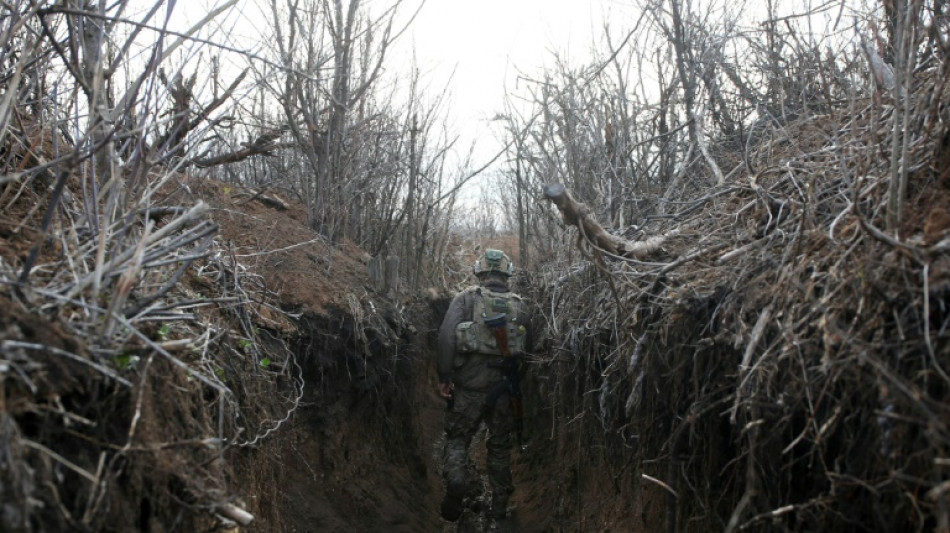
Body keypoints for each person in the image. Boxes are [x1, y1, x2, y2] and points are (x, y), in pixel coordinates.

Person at [437, 248, 531, 531]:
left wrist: (444, 376)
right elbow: (529, 352)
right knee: (500, 449)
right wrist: (515, 383)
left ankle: (456, 485)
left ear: (480, 271)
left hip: (467, 389)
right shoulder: (520, 306)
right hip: (503, 391)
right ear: (507, 274)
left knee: (457, 440)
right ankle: (499, 513)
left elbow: (445, 338)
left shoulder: (465, 299)